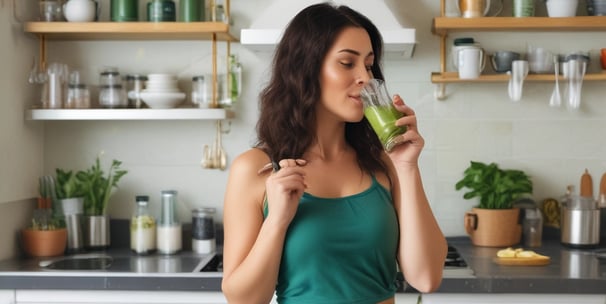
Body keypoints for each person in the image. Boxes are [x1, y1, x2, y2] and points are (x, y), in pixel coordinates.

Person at [222, 3, 447, 303]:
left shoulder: (385, 163)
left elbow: (426, 276)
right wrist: (277, 219)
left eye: (368, 65)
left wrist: (407, 167)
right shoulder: (255, 169)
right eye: (346, 63)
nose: (365, 78)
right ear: (306, 69)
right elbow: (244, 300)